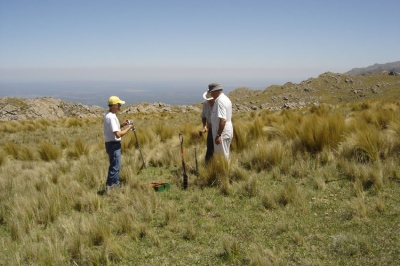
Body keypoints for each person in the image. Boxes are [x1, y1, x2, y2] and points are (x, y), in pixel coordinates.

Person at [103, 96, 133, 190]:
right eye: (119, 104)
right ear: (115, 105)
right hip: (113, 145)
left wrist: (122, 125)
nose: (120, 106)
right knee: (115, 167)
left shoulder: (109, 115)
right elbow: (118, 135)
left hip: (111, 144)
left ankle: (114, 186)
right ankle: (112, 187)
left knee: (115, 165)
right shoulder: (111, 117)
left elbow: (114, 129)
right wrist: (128, 128)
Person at [208, 82, 233, 160]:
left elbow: (223, 120)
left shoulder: (220, 101)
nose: (211, 95)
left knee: (221, 155)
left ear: (216, 91)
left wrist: (218, 135)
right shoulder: (224, 99)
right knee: (224, 153)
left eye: (211, 92)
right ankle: (224, 170)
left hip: (222, 132)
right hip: (225, 130)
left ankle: (223, 171)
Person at [200, 91, 215, 163]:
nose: (209, 101)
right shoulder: (205, 104)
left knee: (218, 149)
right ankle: (207, 165)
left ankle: (219, 165)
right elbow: (203, 116)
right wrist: (204, 126)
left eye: (210, 99)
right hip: (210, 129)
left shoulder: (218, 104)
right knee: (209, 147)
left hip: (219, 130)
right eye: (208, 99)